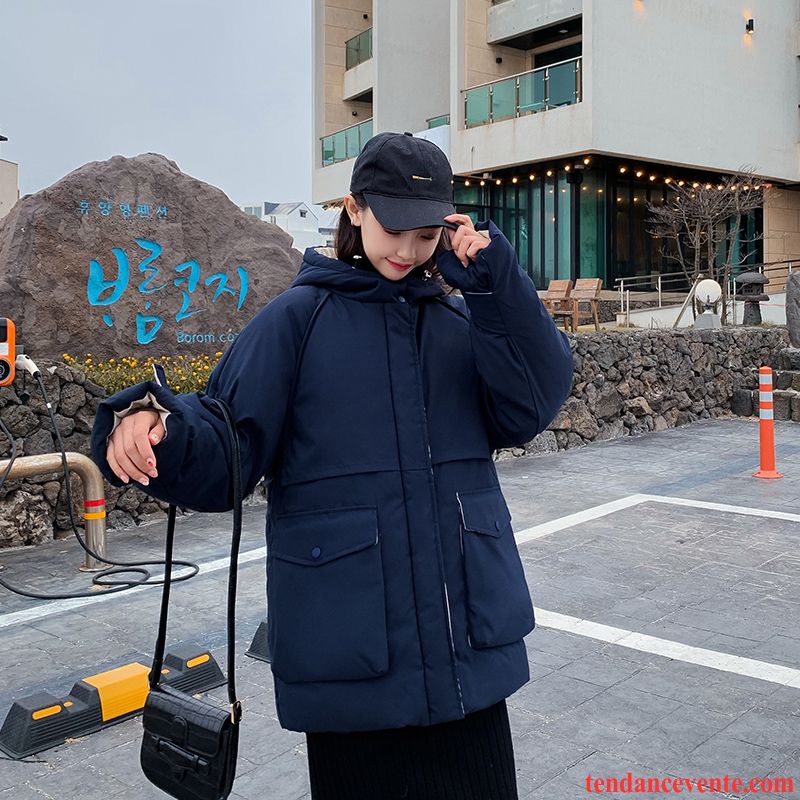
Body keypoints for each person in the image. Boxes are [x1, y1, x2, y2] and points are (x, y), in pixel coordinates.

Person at [90, 131, 574, 799]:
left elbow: (533, 401)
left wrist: (499, 288)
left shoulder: (463, 320)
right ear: (354, 209)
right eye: (394, 228)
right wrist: (159, 428)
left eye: (427, 233)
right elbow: (228, 440)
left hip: (467, 659)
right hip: (357, 666)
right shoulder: (296, 320)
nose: (408, 249)